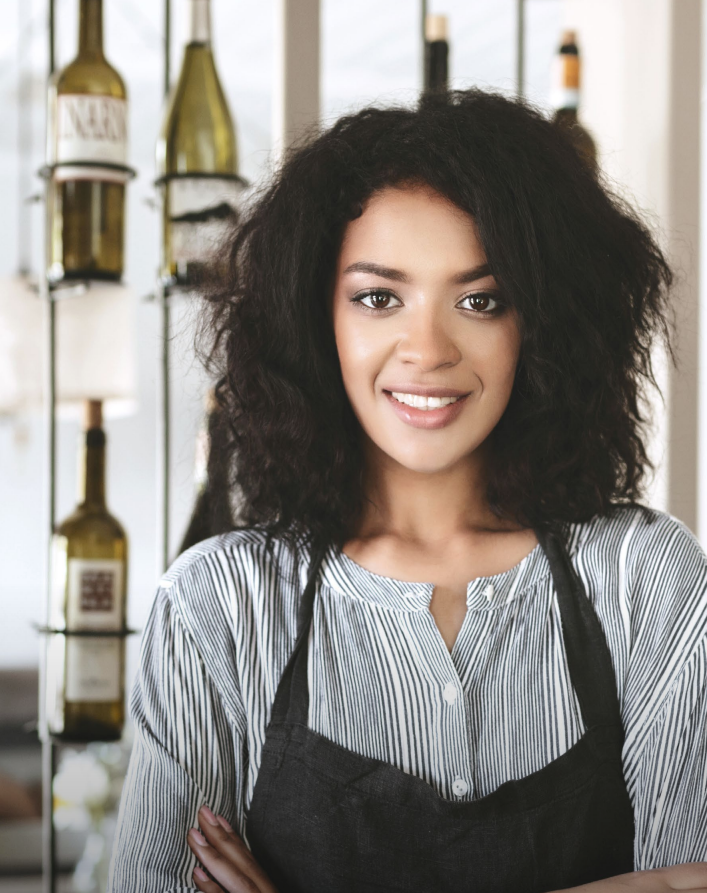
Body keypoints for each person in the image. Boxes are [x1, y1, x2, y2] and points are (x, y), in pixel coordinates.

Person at [106, 90, 707, 892]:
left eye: (480, 300)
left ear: (545, 324)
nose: (426, 350)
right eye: (379, 298)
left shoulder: (646, 578)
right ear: (314, 318)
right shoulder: (217, 607)